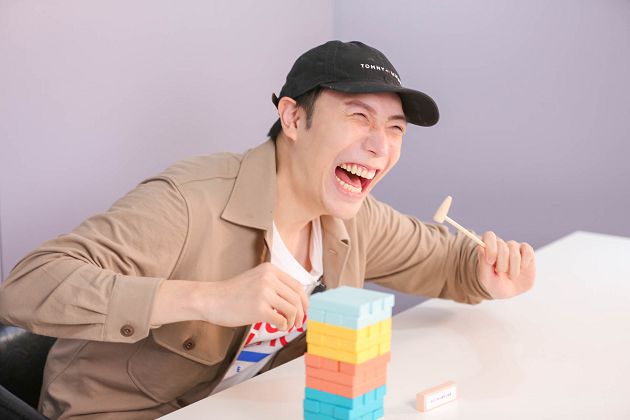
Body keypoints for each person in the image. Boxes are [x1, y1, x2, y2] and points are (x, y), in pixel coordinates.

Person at [0, 40, 535, 419]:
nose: (380, 146)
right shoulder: (189, 200)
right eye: (358, 117)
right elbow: (25, 287)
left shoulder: (354, 216)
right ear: (294, 119)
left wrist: (489, 274)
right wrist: (206, 298)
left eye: (395, 129)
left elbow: (449, 262)